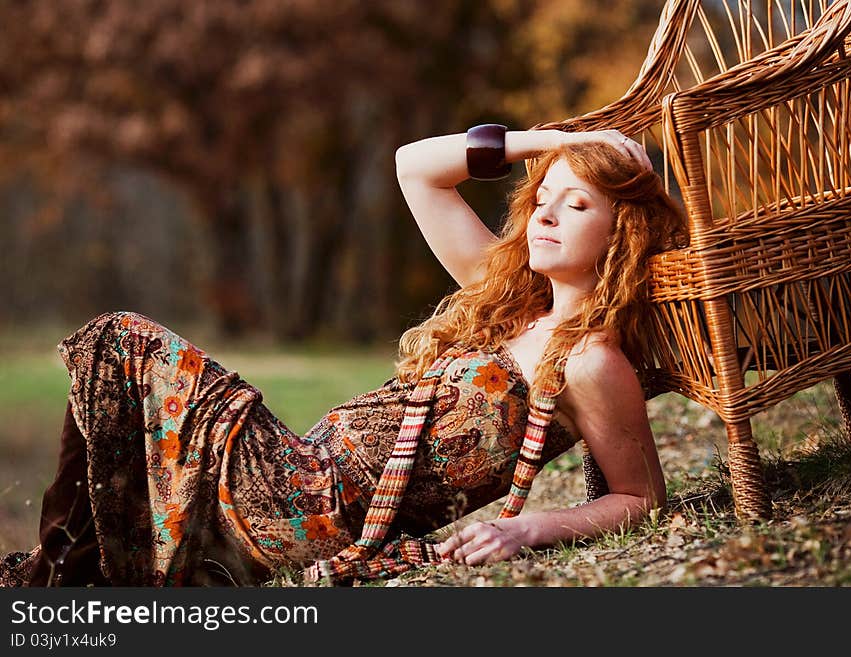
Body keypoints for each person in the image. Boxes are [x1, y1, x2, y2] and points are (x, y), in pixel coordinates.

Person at [0, 125, 687, 587]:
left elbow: (640, 496)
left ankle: (51, 578)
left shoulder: (592, 361)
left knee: (120, 339)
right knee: (120, 372)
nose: (544, 213)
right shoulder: (509, 301)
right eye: (542, 197)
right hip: (297, 475)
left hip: (309, 500)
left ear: (621, 232)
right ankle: (57, 577)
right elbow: (414, 167)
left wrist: (534, 526)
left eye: (575, 204)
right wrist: (568, 139)